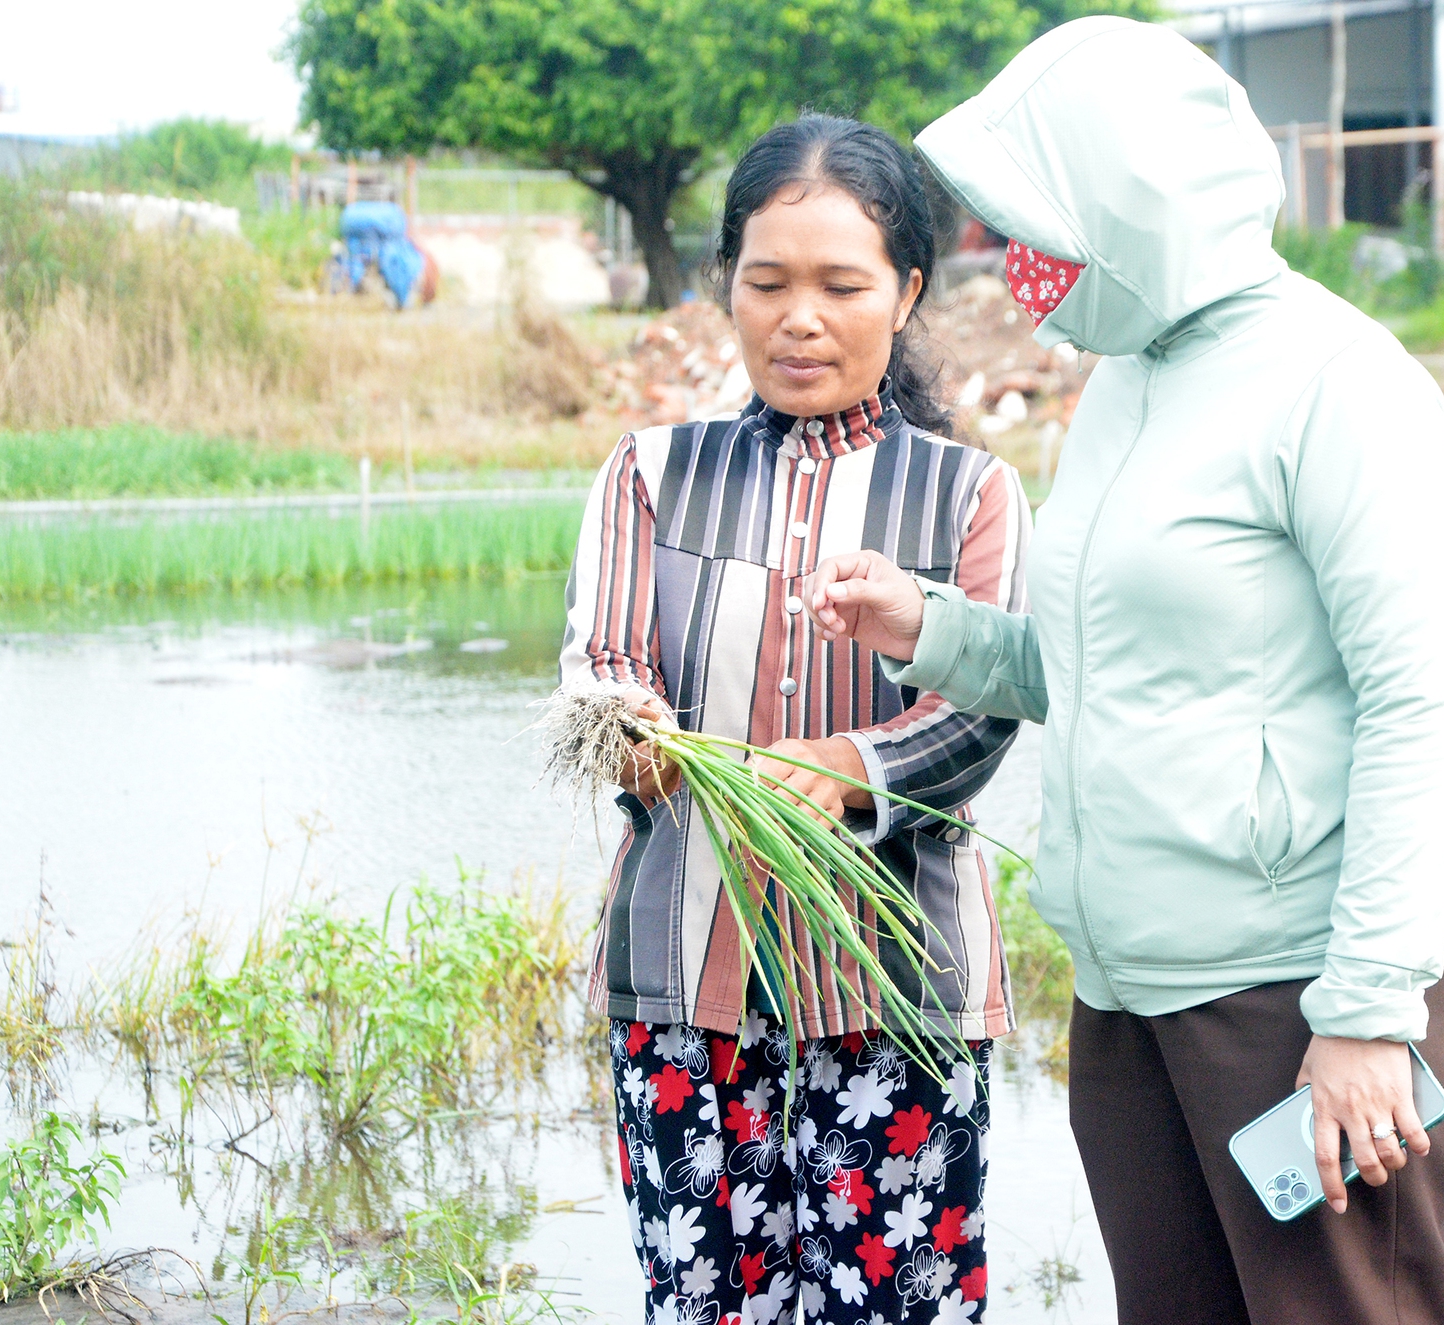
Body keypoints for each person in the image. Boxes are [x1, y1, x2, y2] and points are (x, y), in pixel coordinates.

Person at [806, 18, 1444, 1325]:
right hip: (1133, 994)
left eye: (1042, 221)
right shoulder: (1125, 382)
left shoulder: (1341, 384)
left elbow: (1422, 701)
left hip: (1295, 991)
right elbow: (1103, 666)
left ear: (1138, 202)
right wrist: (928, 627)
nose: (1014, 260)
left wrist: (1363, 1016)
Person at [558, 114, 1032, 1325]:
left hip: (898, 993)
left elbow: (980, 714)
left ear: (906, 290)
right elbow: (604, 663)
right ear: (728, 286)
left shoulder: (971, 490)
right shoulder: (649, 473)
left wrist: (845, 766)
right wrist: (635, 733)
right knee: (707, 1306)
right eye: (765, 283)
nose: (798, 317)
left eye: (840, 285)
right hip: (684, 982)